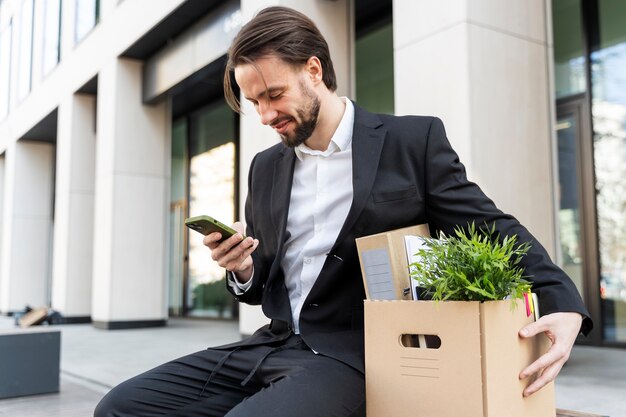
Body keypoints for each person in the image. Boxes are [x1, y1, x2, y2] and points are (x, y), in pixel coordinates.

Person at [95, 6, 592, 417]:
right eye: (254, 102)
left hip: (354, 353)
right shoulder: (264, 167)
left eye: (274, 95)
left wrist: (561, 300)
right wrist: (243, 269)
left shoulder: (410, 142)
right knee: (120, 407)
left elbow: (490, 226)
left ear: (314, 70)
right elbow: (264, 280)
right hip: (270, 343)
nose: (266, 115)